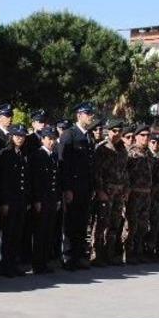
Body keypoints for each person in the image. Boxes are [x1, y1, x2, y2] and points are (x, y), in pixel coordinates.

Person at [59, 103, 97, 270]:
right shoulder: (69, 135)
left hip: (85, 187)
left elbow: (90, 164)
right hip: (73, 187)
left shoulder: (89, 136)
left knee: (82, 222)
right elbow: (64, 163)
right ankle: (68, 256)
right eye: (87, 113)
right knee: (71, 223)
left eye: (91, 114)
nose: (91, 117)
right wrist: (67, 188)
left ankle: (79, 255)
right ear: (79, 115)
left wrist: (92, 186)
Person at [92, 120, 129, 266]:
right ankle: (96, 255)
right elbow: (97, 172)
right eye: (114, 131)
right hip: (106, 191)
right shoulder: (102, 148)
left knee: (115, 223)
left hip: (119, 191)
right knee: (102, 223)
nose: (117, 134)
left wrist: (126, 188)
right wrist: (100, 190)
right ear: (109, 131)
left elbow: (125, 171)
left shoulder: (123, 149)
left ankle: (109, 254)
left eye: (119, 131)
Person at [0, 125, 30, 276]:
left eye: (22, 136)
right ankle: (5, 265)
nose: (20, 138)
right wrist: (4, 202)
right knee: (8, 234)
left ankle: (13, 263)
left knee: (17, 233)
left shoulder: (21, 154)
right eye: (17, 136)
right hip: (10, 201)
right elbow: (3, 180)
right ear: (11, 136)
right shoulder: (6, 154)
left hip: (20, 200)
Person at [29, 125, 62, 274]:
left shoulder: (53, 155)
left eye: (54, 139)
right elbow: (35, 180)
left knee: (48, 231)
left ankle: (44, 261)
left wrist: (57, 199)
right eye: (49, 139)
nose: (52, 142)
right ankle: (37, 263)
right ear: (43, 139)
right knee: (40, 232)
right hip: (41, 200)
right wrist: (36, 200)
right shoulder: (38, 155)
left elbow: (56, 179)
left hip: (51, 199)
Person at [125, 125, 153, 264]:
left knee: (143, 226)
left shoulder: (149, 153)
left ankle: (138, 251)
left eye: (148, 135)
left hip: (146, 194)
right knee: (131, 225)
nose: (146, 138)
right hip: (134, 194)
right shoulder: (130, 152)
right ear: (136, 137)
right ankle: (127, 253)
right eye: (142, 135)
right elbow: (124, 173)